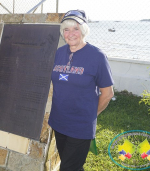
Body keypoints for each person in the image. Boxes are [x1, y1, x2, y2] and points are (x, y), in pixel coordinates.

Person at [48, 10, 114, 171]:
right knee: (71, 165)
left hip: (80, 126)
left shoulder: (97, 56)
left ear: (83, 30)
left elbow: (108, 94)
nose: (71, 34)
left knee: (68, 168)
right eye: (66, 29)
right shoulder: (59, 53)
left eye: (75, 29)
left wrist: (90, 116)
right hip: (59, 122)